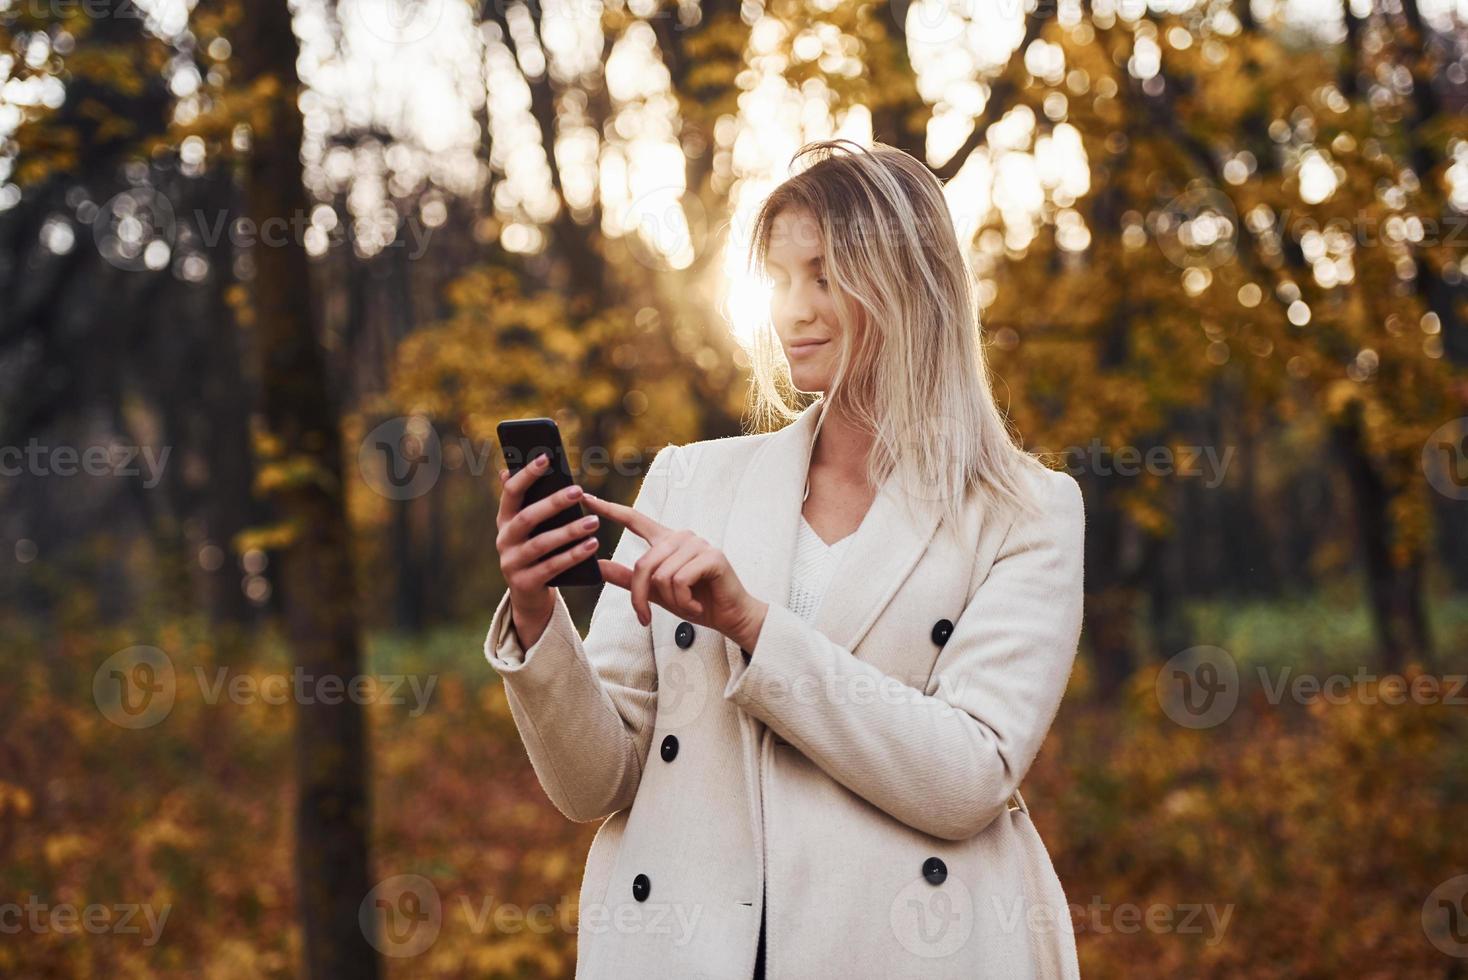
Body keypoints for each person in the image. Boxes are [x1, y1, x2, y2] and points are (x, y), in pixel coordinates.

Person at [487, 139, 1086, 979]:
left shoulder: (1024, 511)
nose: (792, 310)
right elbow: (595, 785)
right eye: (777, 277)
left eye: (824, 275)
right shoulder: (689, 479)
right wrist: (537, 614)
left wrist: (752, 623)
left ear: (913, 284)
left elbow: (966, 778)